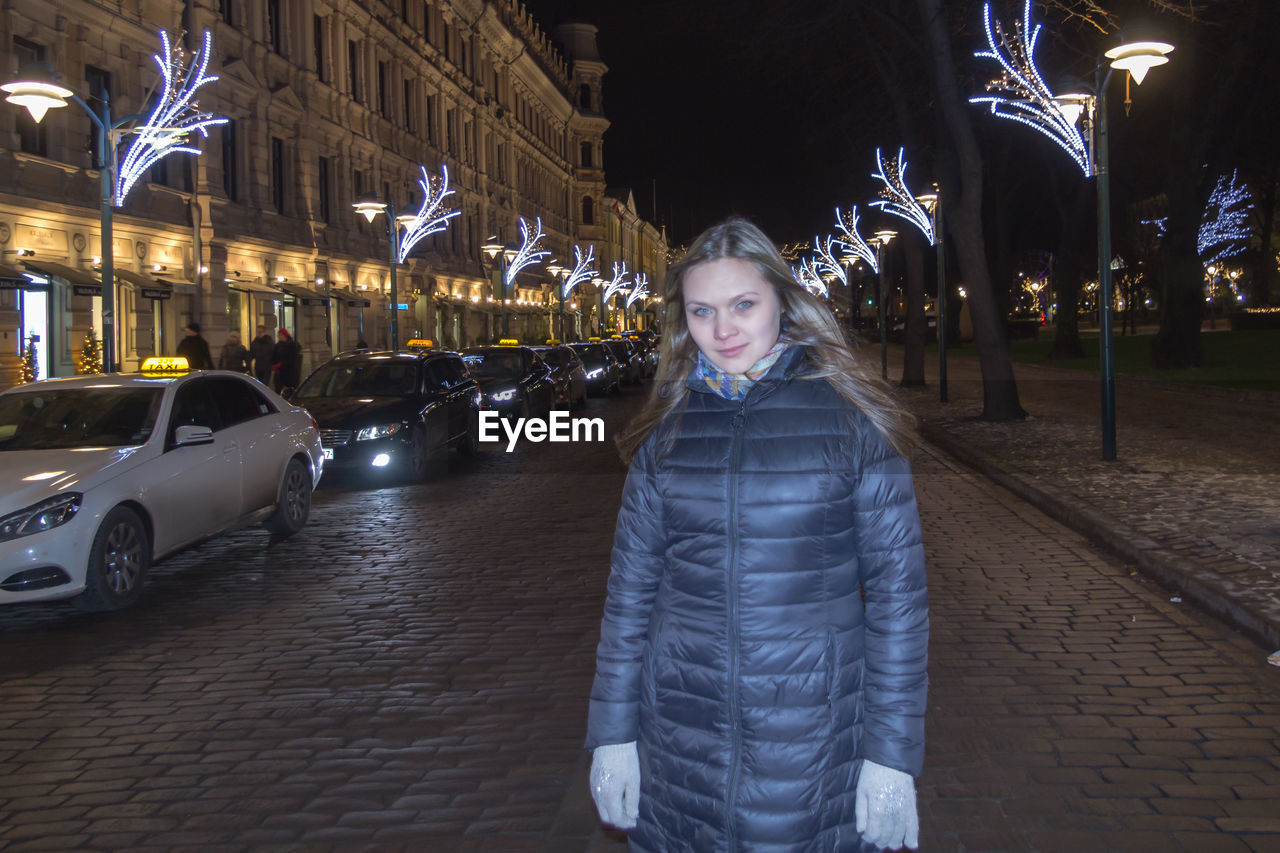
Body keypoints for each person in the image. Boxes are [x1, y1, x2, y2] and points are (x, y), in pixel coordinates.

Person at [586, 217, 928, 851]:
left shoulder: (852, 427)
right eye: (701, 311)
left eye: (743, 304)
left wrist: (892, 757)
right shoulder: (666, 438)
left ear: (782, 300)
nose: (722, 330)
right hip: (680, 736)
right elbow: (628, 603)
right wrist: (613, 736)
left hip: (812, 739)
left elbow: (898, 605)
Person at [271, 327, 302, 392]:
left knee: (290, 391)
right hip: (279, 373)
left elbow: (292, 359)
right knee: (278, 390)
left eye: (280, 335)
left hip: (289, 372)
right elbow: (273, 356)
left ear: (284, 335)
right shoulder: (277, 346)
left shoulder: (291, 345)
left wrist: (281, 364)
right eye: (278, 335)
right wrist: (274, 364)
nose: (279, 337)